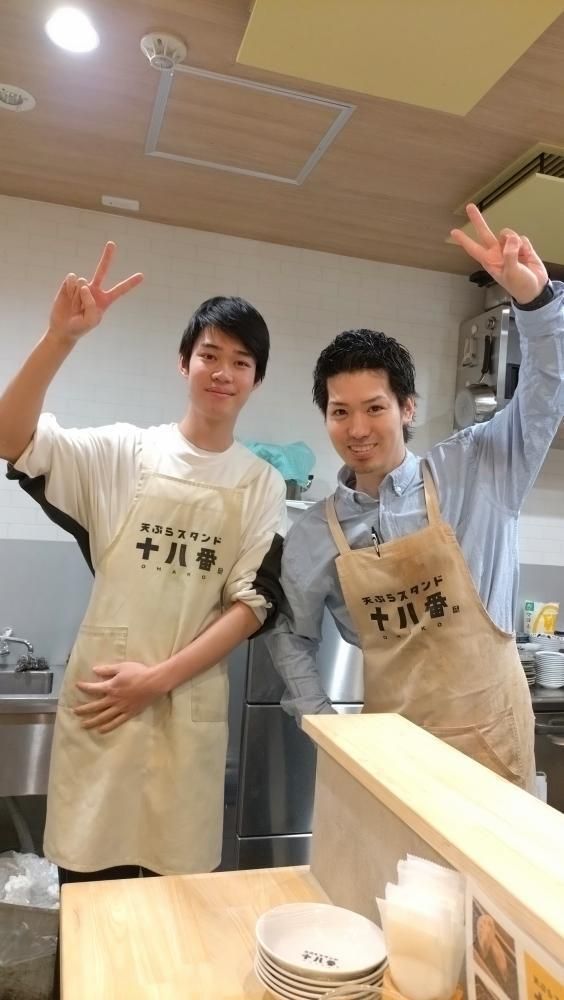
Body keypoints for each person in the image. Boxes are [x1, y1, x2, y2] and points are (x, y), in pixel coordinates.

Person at [0, 242, 286, 882]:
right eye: (210, 355)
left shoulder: (260, 483)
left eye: (241, 362)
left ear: (256, 380)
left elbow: (253, 605)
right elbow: (10, 436)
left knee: (172, 906)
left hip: (184, 717)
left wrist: (155, 681)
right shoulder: (125, 454)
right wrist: (59, 338)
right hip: (103, 711)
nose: (223, 372)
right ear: (183, 363)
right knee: (91, 897)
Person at [268, 204, 564, 792]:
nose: (358, 429)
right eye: (340, 412)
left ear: (407, 408)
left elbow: (544, 392)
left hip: (492, 742)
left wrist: (535, 306)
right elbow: (290, 633)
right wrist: (323, 722)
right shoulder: (315, 532)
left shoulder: (478, 467)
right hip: (391, 756)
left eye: (375, 408)